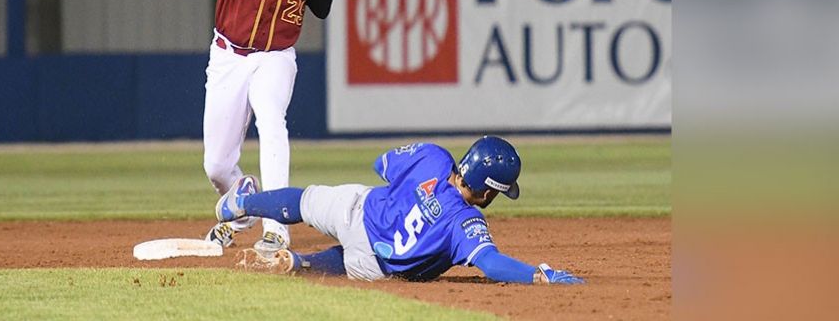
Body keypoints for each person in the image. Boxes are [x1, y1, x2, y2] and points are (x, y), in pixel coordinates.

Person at [213, 136, 585, 284]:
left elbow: (383, 166)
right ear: (489, 193)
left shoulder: (435, 158)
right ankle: (299, 263)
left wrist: (417, 193)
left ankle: (240, 203)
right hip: (375, 264)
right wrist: (539, 276)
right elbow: (491, 264)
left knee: (303, 202)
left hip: (356, 211)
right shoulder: (466, 221)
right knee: (355, 262)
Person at [202, 0, 333, 257]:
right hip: (229, 55)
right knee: (217, 166)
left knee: (272, 123)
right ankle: (244, 207)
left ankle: (276, 227)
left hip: (275, 56)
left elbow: (324, 5)